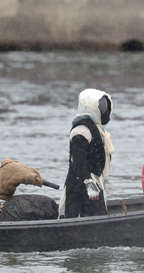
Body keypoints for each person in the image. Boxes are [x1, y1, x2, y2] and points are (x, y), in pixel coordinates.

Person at [59, 88, 115, 218]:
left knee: (98, 214)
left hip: (94, 180)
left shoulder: (97, 129)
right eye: (100, 106)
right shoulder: (80, 130)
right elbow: (79, 160)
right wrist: (88, 183)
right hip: (81, 182)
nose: (104, 110)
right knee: (79, 214)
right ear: (90, 107)